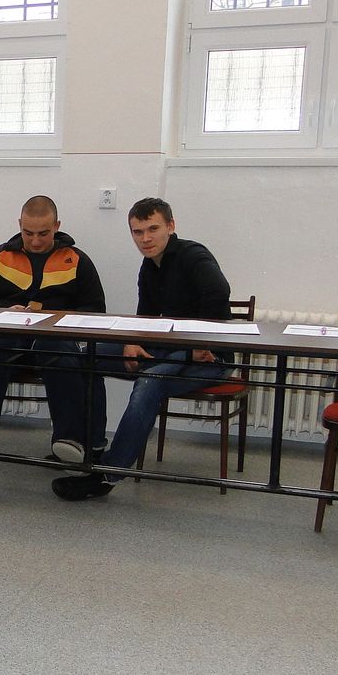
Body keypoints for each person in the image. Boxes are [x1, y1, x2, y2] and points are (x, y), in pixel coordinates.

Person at [50, 197, 231, 501]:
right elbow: (146, 317)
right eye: (138, 231)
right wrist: (133, 342)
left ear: (170, 226)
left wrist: (199, 345)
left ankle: (106, 475)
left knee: (150, 382)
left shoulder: (193, 255)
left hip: (210, 357)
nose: (145, 238)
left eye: (153, 229)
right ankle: (92, 446)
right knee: (87, 357)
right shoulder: (149, 267)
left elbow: (219, 292)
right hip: (168, 351)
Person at [0, 195, 106, 458]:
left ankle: (68, 441)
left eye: (43, 233)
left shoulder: (76, 260)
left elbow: (95, 310)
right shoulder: (0, 256)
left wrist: (56, 317)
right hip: (10, 342)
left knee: (59, 349)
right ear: (19, 225)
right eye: (28, 233)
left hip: (54, 342)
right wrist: (4, 311)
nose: (35, 241)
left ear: (57, 226)